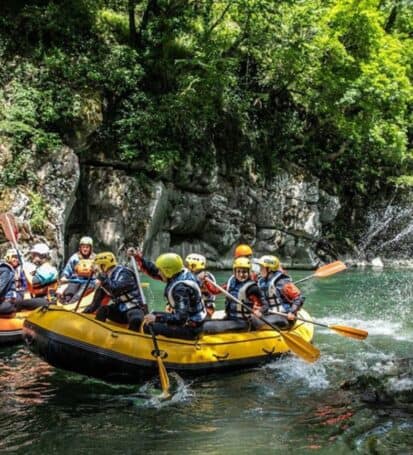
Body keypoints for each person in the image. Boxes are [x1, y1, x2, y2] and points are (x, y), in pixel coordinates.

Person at [128, 250, 207, 340]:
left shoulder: (180, 290)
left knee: (149, 326)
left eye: (161, 271)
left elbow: (181, 318)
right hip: (190, 321)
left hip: (192, 329)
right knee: (153, 314)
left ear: (168, 272)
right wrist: (138, 258)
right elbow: (154, 270)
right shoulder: (180, 272)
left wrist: (157, 318)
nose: (158, 273)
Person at [83, 252, 147, 331]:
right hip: (120, 310)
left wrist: (102, 278)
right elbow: (96, 302)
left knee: (135, 320)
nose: (96, 269)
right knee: (103, 309)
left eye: (98, 266)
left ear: (104, 265)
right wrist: (84, 313)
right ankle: (97, 332)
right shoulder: (106, 278)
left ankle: (132, 340)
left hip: (135, 308)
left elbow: (115, 289)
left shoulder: (124, 273)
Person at [256, 255, 304, 329]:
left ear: (269, 269)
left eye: (262, 268)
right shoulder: (261, 282)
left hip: (285, 317)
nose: (260, 270)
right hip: (269, 314)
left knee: (259, 322)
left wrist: (292, 311)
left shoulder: (282, 282)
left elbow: (299, 297)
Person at [19, 243, 58, 310]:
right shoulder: (41, 268)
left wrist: (25, 270)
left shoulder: (48, 269)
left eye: (34, 255)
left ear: (42, 256)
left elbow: (34, 283)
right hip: (41, 298)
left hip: (47, 301)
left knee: (18, 303)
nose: (32, 256)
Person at [57, 236, 96, 304]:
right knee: (69, 293)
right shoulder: (75, 258)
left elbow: (100, 273)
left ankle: (70, 304)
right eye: (83, 247)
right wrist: (64, 276)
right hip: (75, 280)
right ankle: (66, 301)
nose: (85, 249)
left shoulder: (95, 259)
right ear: (80, 248)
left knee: (79, 294)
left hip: (89, 282)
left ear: (90, 248)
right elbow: (67, 270)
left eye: (87, 247)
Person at [184, 253, 216, 317]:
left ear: (194, 265)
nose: (186, 267)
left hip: (205, 307)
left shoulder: (207, 276)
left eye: (188, 265)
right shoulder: (188, 275)